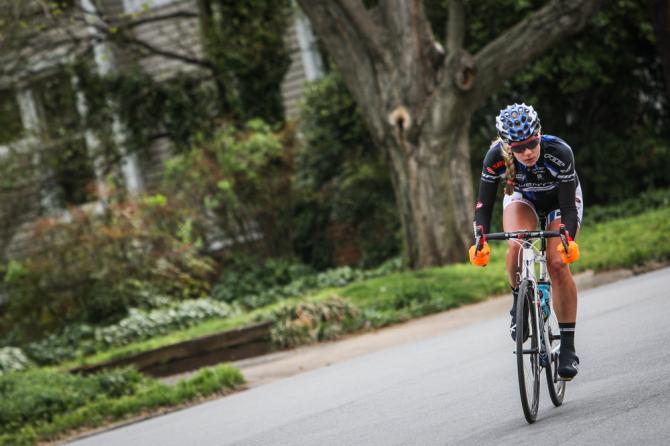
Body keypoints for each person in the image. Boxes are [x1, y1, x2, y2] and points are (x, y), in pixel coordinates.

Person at [468, 103, 582, 380]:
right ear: (508, 146)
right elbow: (483, 205)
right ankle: (519, 301)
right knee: (517, 243)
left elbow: (568, 207)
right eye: (518, 148)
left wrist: (566, 237)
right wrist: (479, 239)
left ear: (539, 134)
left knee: (556, 263)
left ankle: (568, 347)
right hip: (523, 200)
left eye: (531, 144)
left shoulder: (559, 152)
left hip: (560, 203)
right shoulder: (495, 157)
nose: (527, 152)